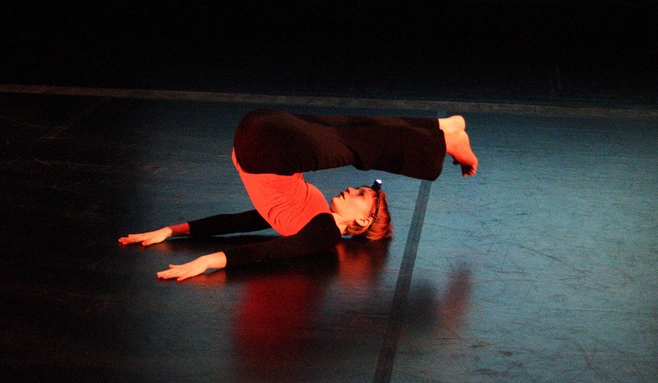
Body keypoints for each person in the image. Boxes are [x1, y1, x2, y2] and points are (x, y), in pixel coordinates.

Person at [119, 109, 478, 281]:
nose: (351, 188)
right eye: (359, 189)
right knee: (351, 130)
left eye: (361, 195)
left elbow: (266, 246)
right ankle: (441, 132)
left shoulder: (322, 233)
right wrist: (176, 233)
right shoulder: (313, 206)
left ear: (363, 220)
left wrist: (203, 255)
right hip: (264, 137)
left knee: (355, 140)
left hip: (261, 140)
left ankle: (443, 137)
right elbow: (246, 224)